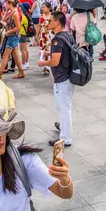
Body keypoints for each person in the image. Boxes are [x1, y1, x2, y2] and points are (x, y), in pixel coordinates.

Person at [36, 12, 74, 147]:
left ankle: (65, 138)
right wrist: (50, 52)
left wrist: (43, 63)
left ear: (57, 22)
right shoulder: (68, 36)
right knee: (63, 107)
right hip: (68, 76)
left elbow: (55, 62)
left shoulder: (57, 40)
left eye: (51, 21)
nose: (48, 23)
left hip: (62, 78)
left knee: (64, 109)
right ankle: (64, 129)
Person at [0, 0, 24, 80]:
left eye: (6, 4)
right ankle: (21, 72)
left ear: (10, 4)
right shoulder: (11, 12)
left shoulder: (15, 13)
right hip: (12, 36)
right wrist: (6, 11)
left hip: (13, 36)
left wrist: (8, 32)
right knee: (15, 55)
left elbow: (18, 27)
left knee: (5, 55)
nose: (5, 5)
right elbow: (3, 20)